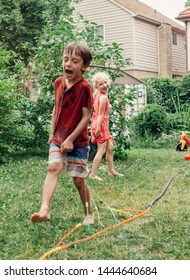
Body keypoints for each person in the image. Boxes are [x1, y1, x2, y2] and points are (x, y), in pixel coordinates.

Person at [30, 42, 94, 225]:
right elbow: (56, 108)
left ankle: (88, 213)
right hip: (58, 138)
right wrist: (52, 133)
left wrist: (71, 139)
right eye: (66, 60)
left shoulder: (85, 87)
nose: (68, 64)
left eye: (74, 61)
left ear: (84, 66)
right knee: (53, 168)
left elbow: (86, 117)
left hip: (78, 142)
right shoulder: (59, 82)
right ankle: (44, 210)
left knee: (78, 180)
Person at [89, 72, 124, 181]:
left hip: (102, 124)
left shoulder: (97, 95)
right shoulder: (103, 97)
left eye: (105, 82)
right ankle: (93, 174)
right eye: (101, 84)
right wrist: (98, 128)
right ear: (96, 86)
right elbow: (100, 114)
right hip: (100, 125)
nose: (105, 85)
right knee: (101, 150)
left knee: (110, 148)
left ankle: (111, 171)